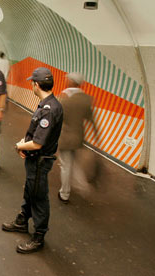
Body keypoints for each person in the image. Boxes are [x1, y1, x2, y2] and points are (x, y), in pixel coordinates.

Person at [1, 67, 63, 254]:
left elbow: (37, 143)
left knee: (38, 198)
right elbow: (35, 135)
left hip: (39, 161)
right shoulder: (46, 104)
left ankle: (39, 236)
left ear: (36, 84)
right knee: (30, 191)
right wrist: (24, 144)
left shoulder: (50, 109)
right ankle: (22, 221)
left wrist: (20, 146)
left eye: (32, 83)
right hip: (34, 159)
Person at [57, 72, 97, 203]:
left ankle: (64, 194)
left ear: (72, 82)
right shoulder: (86, 99)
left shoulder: (65, 98)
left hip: (66, 137)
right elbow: (91, 119)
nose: (66, 81)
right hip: (78, 137)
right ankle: (83, 186)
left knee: (65, 165)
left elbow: (57, 118)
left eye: (68, 80)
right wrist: (97, 137)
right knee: (73, 163)